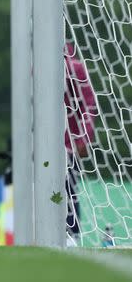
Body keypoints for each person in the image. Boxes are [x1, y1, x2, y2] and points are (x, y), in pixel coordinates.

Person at [64, 42, 96, 241]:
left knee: (67, 187)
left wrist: (83, 136)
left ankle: (70, 234)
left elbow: (88, 104)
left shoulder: (75, 68)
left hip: (68, 143)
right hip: (40, 142)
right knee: (64, 188)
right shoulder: (31, 67)